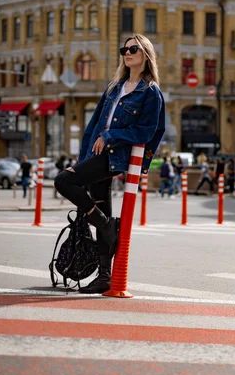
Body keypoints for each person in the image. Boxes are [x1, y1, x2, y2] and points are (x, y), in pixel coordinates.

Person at [55, 33, 165, 294]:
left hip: (116, 156)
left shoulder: (150, 92)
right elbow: (92, 126)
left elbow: (147, 131)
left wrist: (111, 135)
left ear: (145, 55)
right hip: (96, 153)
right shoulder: (115, 86)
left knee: (63, 180)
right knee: (100, 203)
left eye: (133, 49)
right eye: (124, 49)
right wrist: (82, 159)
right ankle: (105, 275)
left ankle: (105, 225)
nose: (127, 53)